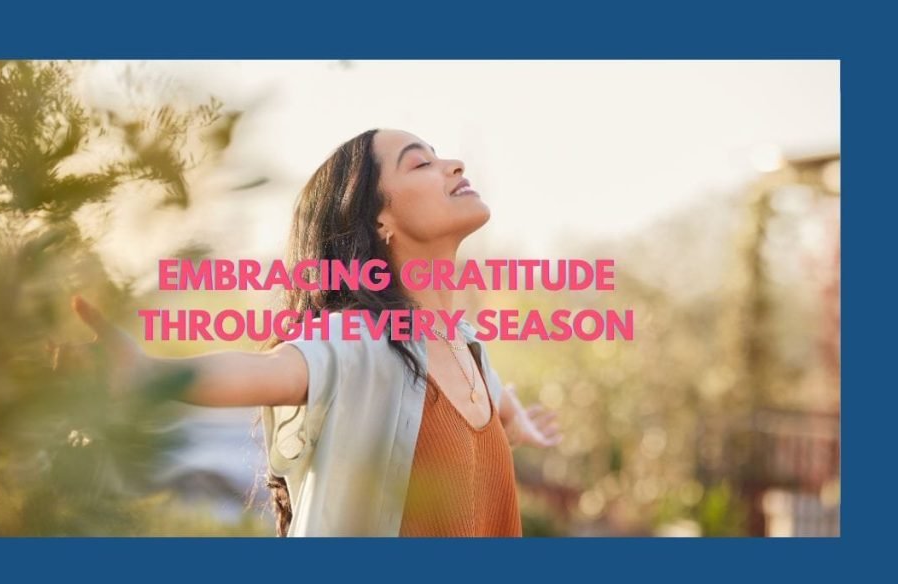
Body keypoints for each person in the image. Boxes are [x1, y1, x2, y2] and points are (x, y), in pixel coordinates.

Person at [58, 129, 561, 537]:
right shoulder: (360, 341)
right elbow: (269, 370)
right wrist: (148, 374)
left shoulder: (468, 348)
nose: (454, 164)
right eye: (420, 163)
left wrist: (516, 424)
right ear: (379, 218)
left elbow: (493, 400)